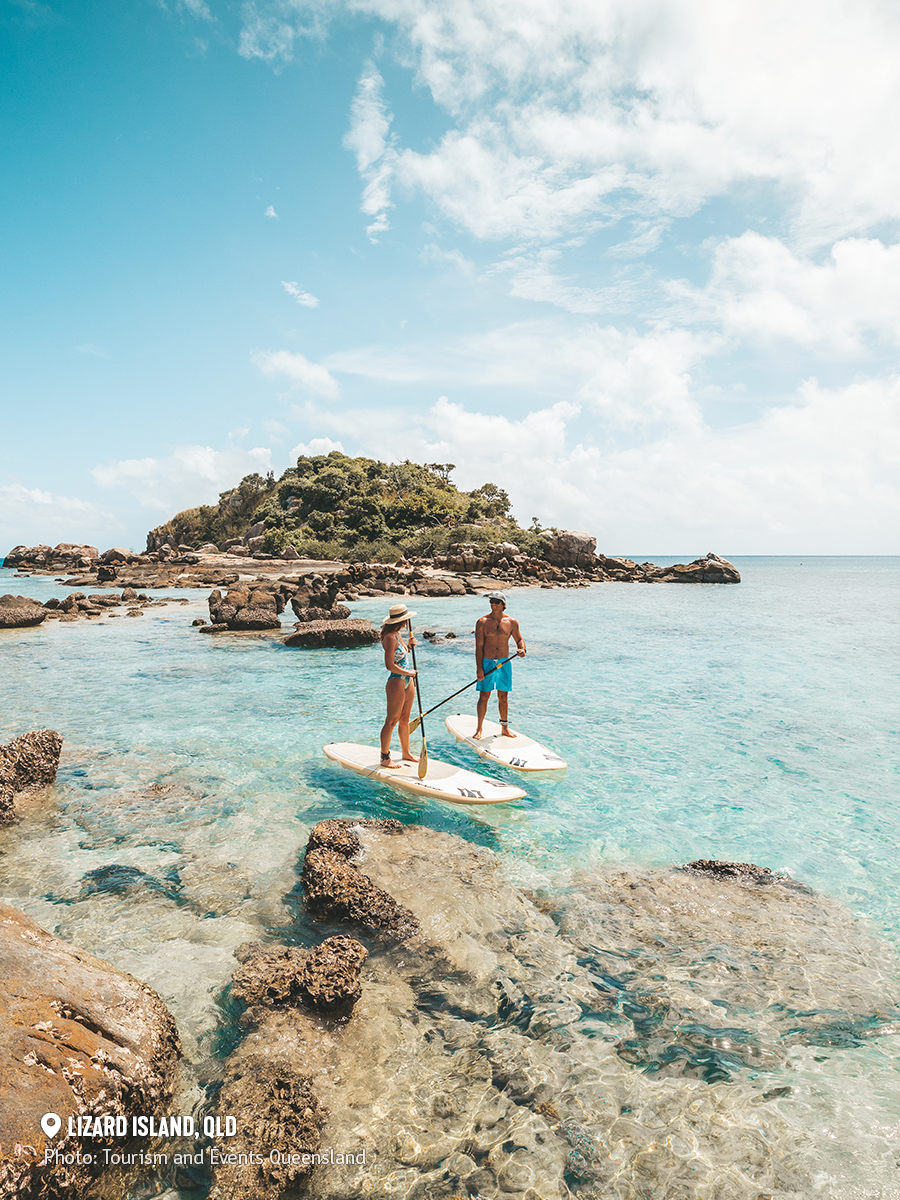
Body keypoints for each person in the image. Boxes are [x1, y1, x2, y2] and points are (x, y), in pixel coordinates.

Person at [474, 592, 526, 739]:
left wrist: (522, 649)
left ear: (503, 604)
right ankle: (479, 728)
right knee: (484, 695)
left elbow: (519, 639)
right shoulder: (482, 622)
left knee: (503, 696)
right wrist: (479, 668)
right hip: (487, 662)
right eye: (491, 601)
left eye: (497, 601)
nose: (493, 604)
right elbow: (479, 647)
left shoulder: (512, 622)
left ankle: (504, 728)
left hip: (504, 663)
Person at [379, 603, 419, 768]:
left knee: (405, 718)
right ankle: (385, 757)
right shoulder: (389, 637)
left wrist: (409, 646)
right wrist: (408, 673)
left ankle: (406, 752)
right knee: (392, 720)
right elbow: (389, 665)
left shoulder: (397, 634)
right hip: (397, 680)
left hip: (407, 680)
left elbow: (401, 655)